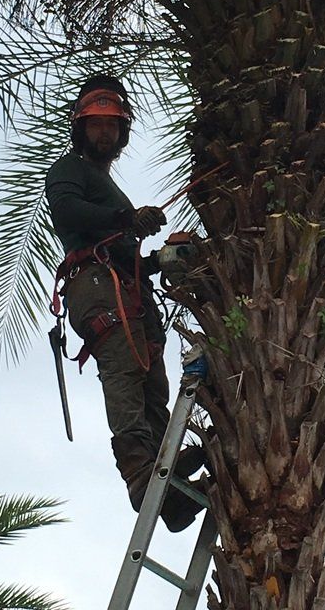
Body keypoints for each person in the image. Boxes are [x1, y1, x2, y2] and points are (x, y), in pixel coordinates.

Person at [45, 75, 204, 532]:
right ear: (81, 128)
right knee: (123, 371)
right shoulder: (70, 170)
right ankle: (140, 477)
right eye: (96, 125)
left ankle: (166, 487)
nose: (104, 134)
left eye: (112, 127)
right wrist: (126, 218)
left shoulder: (111, 189)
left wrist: (163, 260)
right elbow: (67, 212)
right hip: (96, 287)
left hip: (128, 289)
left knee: (154, 382)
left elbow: (127, 254)